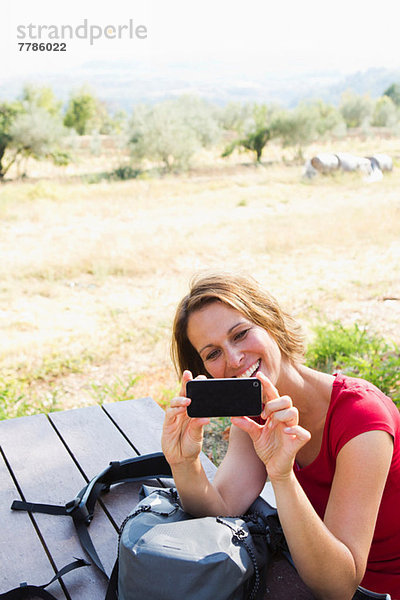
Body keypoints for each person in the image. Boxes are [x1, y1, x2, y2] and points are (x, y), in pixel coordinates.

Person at [161, 273, 400, 600]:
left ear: (270, 322)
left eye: (241, 333)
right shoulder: (256, 411)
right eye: (212, 353)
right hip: (310, 571)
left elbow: (339, 587)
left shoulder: (361, 419)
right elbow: (222, 506)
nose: (233, 359)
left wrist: (282, 475)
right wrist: (184, 463)